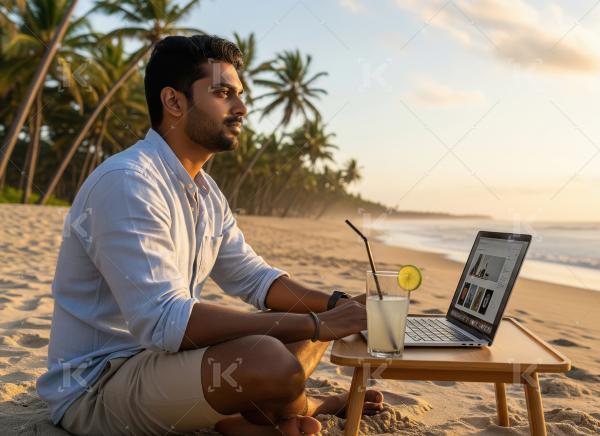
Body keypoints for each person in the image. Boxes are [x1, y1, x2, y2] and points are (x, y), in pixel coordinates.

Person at [36, 35, 382, 436]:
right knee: (270, 358)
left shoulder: (204, 191)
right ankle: (278, 415)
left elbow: (255, 278)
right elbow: (166, 321)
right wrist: (319, 326)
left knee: (302, 325)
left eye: (239, 94)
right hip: (98, 385)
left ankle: (270, 418)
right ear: (175, 102)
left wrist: (341, 306)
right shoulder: (128, 183)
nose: (241, 108)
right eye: (222, 93)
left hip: (165, 365)